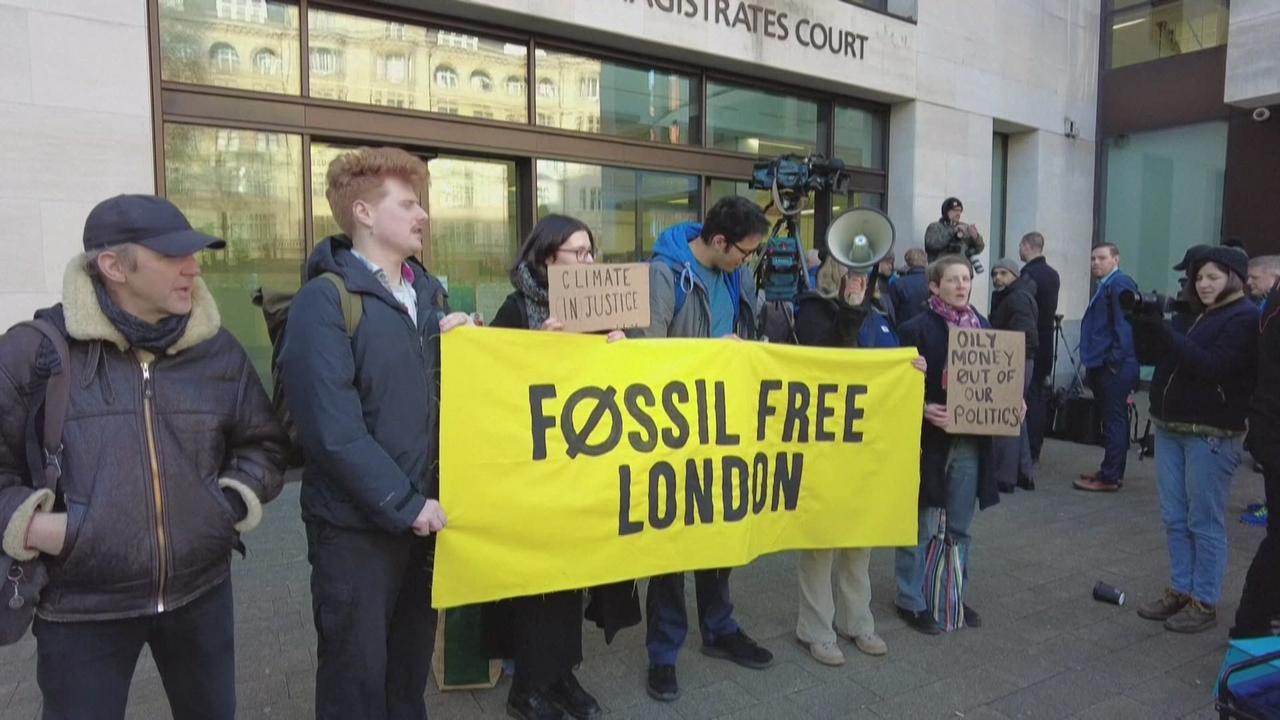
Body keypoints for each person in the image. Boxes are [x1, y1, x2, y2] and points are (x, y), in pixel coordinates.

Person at [0, 194, 287, 719]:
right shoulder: (35, 352)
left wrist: (223, 505)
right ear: (113, 266)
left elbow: (262, 444)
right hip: (82, 606)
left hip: (201, 592)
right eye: (171, 255)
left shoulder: (217, 351)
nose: (193, 268)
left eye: (194, 254)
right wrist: (39, 528)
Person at [278, 147, 475, 720]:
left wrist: (470, 347)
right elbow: (333, 431)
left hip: (422, 519)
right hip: (356, 530)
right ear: (363, 212)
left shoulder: (428, 295)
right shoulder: (325, 300)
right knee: (354, 679)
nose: (423, 216)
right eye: (408, 203)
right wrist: (403, 502)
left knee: (408, 672)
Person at [487, 215, 633, 720]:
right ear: (549, 257)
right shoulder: (515, 310)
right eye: (578, 253)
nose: (589, 262)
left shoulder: (601, 313)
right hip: (531, 480)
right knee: (537, 586)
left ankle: (561, 674)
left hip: (581, 474)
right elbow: (496, 390)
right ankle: (527, 687)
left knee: (572, 582)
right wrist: (539, 353)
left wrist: (617, 353)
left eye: (592, 252)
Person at [638, 196, 773, 702]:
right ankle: (663, 654)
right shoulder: (663, 276)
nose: (748, 261)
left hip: (723, 428)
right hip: (675, 436)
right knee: (671, 547)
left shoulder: (731, 273)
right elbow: (646, 358)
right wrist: (717, 353)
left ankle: (720, 629)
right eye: (745, 252)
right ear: (719, 242)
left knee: (719, 537)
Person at [792, 258, 921, 666]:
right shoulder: (813, 309)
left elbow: (892, 367)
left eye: (865, 272)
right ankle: (815, 627)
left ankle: (857, 620)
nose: (861, 278)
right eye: (851, 270)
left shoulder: (880, 317)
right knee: (821, 540)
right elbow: (831, 358)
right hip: (827, 446)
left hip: (870, 446)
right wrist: (850, 308)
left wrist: (912, 369)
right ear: (834, 271)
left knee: (860, 537)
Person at [1133, 247, 1258, 633]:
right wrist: (1143, 326)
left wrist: (1168, 334)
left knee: (1204, 520)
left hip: (1211, 434)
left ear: (1233, 279)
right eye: (1198, 278)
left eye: (1212, 278)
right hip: (1171, 428)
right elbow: (1160, 359)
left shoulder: (1244, 317)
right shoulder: (1195, 313)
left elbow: (1212, 367)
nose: (1202, 284)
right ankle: (1180, 588)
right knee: (1174, 516)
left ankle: (1204, 600)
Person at [894, 255, 1001, 635]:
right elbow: (895, 385)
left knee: (960, 525)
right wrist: (922, 408)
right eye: (953, 280)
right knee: (920, 522)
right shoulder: (915, 329)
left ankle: (950, 593)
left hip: (970, 442)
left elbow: (1001, 381)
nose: (961, 285)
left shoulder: (985, 328)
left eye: (966, 279)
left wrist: (1012, 401)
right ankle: (911, 599)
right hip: (928, 442)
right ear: (934, 287)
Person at [1231, 255, 1280, 639]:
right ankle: (1251, 624)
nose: (1250, 283)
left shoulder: (1271, 307)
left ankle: (1258, 617)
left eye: (1254, 277)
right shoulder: (1272, 309)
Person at [1074, 244, 1139, 493]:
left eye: (1101, 258)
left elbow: (1125, 327)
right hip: (1105, 363)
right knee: (1111, 419)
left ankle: (1111, 476)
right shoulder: (1107, 285)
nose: (1095, 263)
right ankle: (1109, 469)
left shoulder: (1119, 284)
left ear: (1116, 259)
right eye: (1092, 258)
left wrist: (1113, 362)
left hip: (1114, 367)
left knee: (1114, 420)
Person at [989, 258, 1039, 493]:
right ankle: (1023, 472)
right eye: (995, 274)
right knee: (1018, 415)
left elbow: (1023, 333)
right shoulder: (1012, 295)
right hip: (1015, 357)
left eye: (1003, 273)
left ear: (1014, 275)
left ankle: (1005, 477)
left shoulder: (1017, 297)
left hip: (1015, 359)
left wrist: (1012, 362)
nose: (997, 278)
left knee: (1008, 414)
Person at [1017, 232, 1060, 462]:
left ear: (1027, 246)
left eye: (1020, 246)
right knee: (1039, 395)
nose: (1019, 251)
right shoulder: (1053, 275)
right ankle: (1036, 446)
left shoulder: (1028, 275)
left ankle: (1028, 450)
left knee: (1029, 396)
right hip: (1046, 339)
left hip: (1030, 343)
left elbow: (1024, 307)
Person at [924, 198, 984, 263]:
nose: (958, 213)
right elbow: (931, 245)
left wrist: (976, 237)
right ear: (946, 211)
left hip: (961, 267)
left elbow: (979, 249)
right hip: (941, 268)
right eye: (955, 210)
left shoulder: (964, 227)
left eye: (960, 211)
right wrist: (953, 232)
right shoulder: (935, 227)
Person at [891, 248, 930, 327]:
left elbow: (892, 310)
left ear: (907, 263)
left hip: (905, 329)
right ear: (925, 262)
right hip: (930, 329)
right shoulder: (935, 282)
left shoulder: (898, 283)